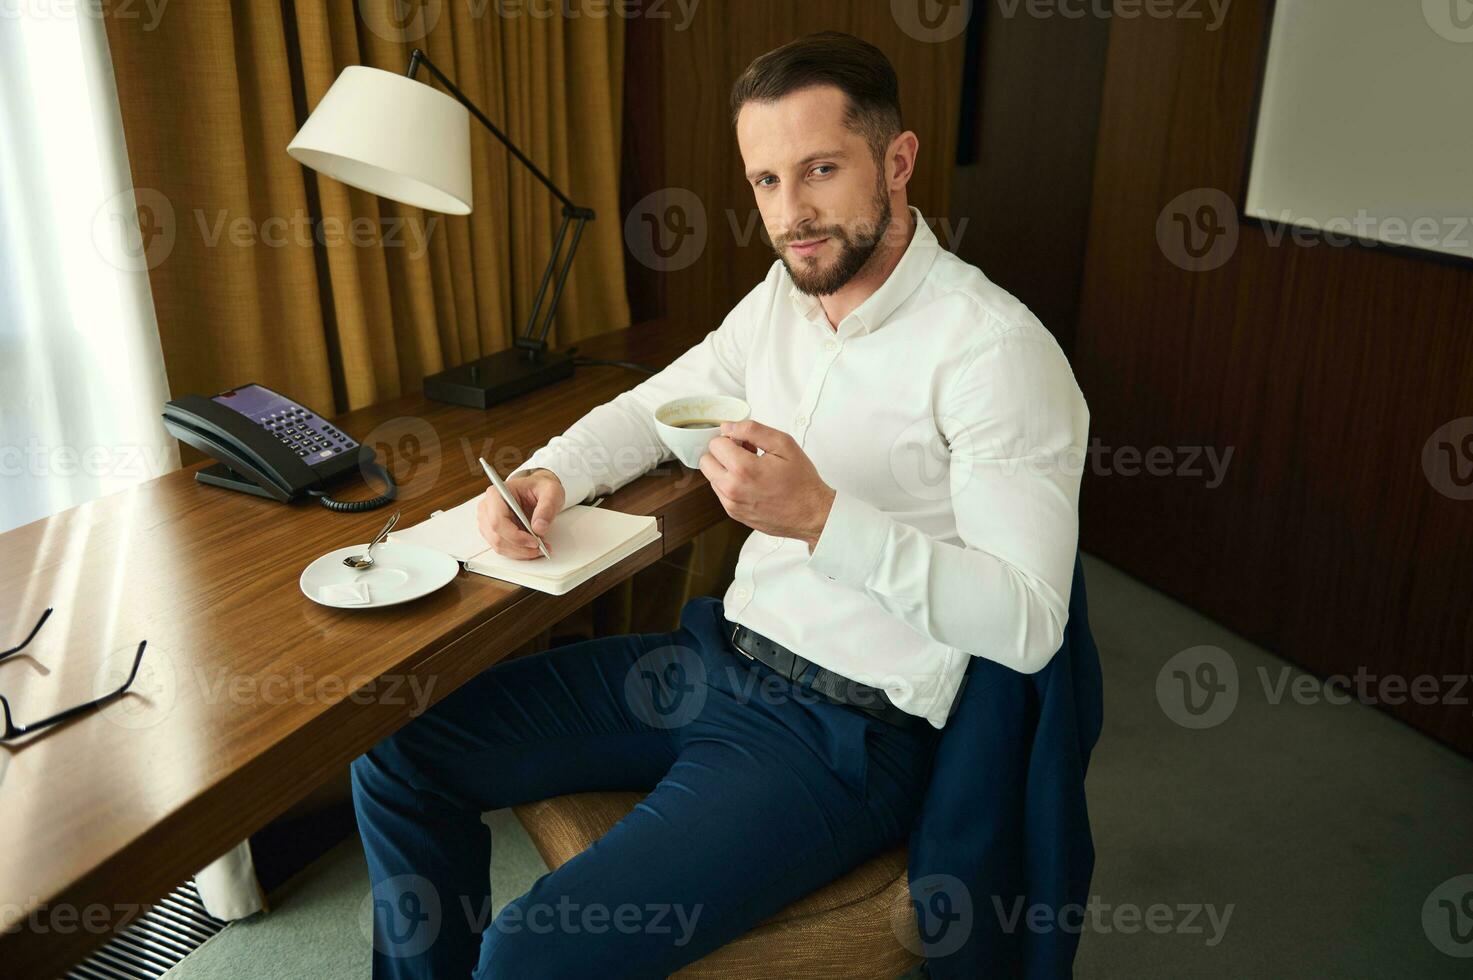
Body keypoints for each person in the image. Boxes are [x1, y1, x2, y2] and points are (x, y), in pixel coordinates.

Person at [350, 30, 1089, 979]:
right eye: (766, 181)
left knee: (529, 954)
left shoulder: (995, 354)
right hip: (714, 658)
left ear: (896, 161)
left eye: (820, 168)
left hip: (841, 734)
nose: (793, 213)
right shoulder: (782, 299)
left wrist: (824, 518)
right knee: (397, 754)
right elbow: (656, 405)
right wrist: (551, 474)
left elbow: (1028, 624)